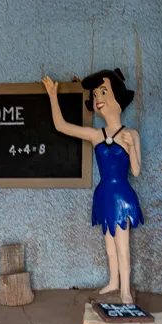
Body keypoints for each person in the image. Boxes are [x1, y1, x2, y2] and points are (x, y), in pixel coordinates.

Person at [42, 69, 143, 303]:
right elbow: (61, 126)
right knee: (109, 244)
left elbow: (136, 171)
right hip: (104, 194)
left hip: (122, 195)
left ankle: (125, 289)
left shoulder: (131, 134)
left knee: (122, 245)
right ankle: (114, 281)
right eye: (96, 93)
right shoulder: (96, 135)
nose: (98, 98)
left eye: (104, 91)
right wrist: (52, 96)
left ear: (118, 98)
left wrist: (130, 149)